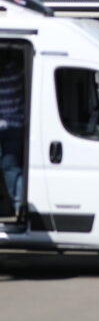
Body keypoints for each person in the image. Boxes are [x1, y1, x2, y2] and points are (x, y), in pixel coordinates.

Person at [0, 56, 25, 217]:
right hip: (16, 126)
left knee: (9, 169)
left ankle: (9, 206)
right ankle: (16, 206)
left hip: (6, 126)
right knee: (12, 169)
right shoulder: (16, 72)